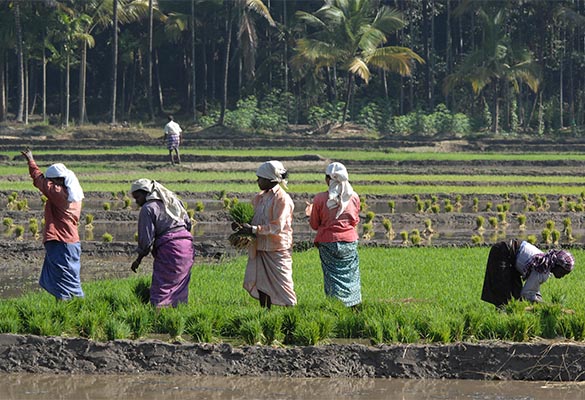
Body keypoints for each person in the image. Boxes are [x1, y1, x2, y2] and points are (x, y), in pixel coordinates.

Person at [21, 148, 85, 301]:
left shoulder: (58, 193)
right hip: (72, 242)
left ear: (57, 180)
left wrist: (31, 160)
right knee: (68, 276)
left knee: (63, 281)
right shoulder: (74, 195)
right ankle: (73, 308)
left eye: (51, 180)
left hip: (61, 241)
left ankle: (68, 310)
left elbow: (39, 180)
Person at [238, 161, 296, 309]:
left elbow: (278, 226)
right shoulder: (259, 198)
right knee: (262, 283)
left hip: (277, 247)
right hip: (260, 246)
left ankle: (291, 311)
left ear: (270, 180)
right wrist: (241, 226)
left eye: (260, 178)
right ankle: (265, 311)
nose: (257, 181)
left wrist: (254, 229)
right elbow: (253, 217)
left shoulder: (282, 198)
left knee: (284, 283)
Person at [130, 179, 195, 307]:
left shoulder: (148, 209)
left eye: (137, 197)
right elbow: (188, 224)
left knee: (162, 285)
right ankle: (178, 314)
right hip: (187, 247)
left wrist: (138, 259)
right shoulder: (173, 201)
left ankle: (158, 317)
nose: (136, 201)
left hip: (170, 250)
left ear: (146, 193)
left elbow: (146, 241)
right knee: (179, 285)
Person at [306, 162, 362, 307]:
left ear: (327, 179)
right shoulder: (354, 197)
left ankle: (335, 307)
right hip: (349, 241)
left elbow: (314, 225)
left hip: (328, 243)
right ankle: (353, 306)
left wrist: (311, 212)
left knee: (331, 278)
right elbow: (355, 220)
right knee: (351, 276)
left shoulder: (319, 199)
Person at [481, 239, 575, 307]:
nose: (563, 276)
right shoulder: (542, 268)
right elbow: (527, 294)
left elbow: (533, 289)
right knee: (504, 295)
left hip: (509, 255)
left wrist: (541, 302)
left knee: (515, 293)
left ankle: (507, 317)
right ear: (558, 265)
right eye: (563, 272)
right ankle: (501, 321)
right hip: (503, 252)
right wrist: (547, 306)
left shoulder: (544, 262)